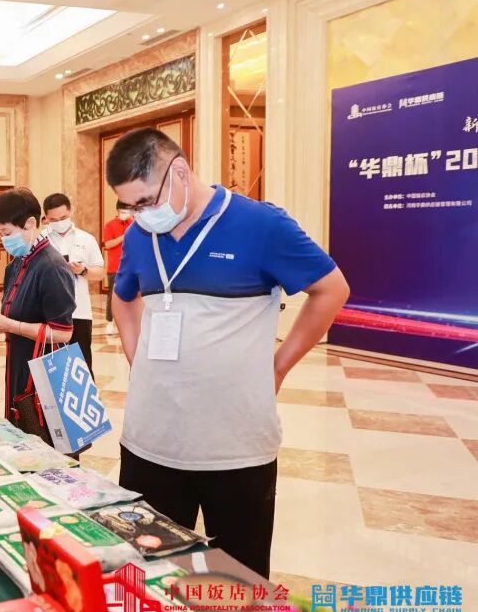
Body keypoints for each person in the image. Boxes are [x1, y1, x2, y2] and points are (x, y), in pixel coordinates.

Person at [107, 128, 349, 579]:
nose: (140, 215)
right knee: (150, 577)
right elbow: (123, 298)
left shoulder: (261, 225)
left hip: (234, 449)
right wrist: (138, 357)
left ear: (180, 172)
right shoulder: (141, 236)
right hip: (150, 442)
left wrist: (278, 368)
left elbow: (331, 289)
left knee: (239, 583)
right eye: (130, 207)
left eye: (146, 202)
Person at [0, 189, 75, 442]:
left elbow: (63, 333)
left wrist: (10, 325)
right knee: (21, 438)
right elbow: (17, 314)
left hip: (43, 375)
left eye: (6, 233)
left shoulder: (51, 266)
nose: (3, 240)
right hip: (19, 365)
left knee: (44, 442)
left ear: (30, 224)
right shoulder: (16, 264)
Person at [42, 193, 106, 374]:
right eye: (54, 220)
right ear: (46, 217)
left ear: (71, 211)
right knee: (52, 369)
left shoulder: (86, 239)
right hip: (47, 313)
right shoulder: (40, 239)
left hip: (79, 311)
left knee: (81, 366)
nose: (59, 223)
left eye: (63, 218)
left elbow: (100, 272)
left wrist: (83, 270)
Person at [102, 201, 133, 333]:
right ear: (118, 211)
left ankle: (130, 322)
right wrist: (124, 236)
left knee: (133, 296)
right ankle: (109, 322)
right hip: (115, 267)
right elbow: (108, 244)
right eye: (123, 211)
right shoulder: (109, 225)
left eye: (128, 211)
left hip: (132, 266)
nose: (125, 214)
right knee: (112, 296)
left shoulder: (135, 224)